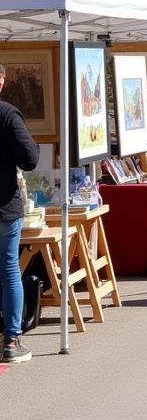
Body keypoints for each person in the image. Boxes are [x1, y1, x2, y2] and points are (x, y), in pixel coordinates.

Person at [1, 63, 39, 364]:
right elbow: (29, 159)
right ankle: (11, 341)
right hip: (3, 207)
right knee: (9, 270)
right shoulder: (7, 114)